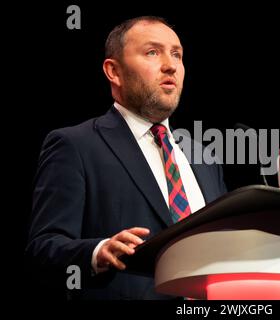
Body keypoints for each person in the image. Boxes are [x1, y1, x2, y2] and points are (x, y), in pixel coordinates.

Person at [25, 16, 227, 299]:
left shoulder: (203, 156)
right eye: (152, 52)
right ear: (114, 71)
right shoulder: (76, 145)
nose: (170, 65)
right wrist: (98, 251)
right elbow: (43, 249)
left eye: (177, 54)